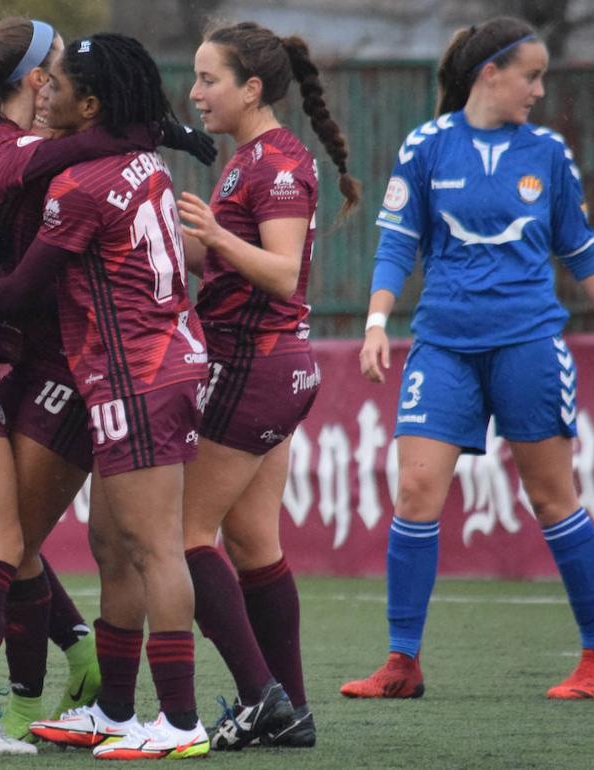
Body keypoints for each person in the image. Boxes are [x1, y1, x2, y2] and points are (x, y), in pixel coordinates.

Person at [0, 18, 215, 740]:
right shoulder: (139, 162)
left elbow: (21, 290)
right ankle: (113, 709)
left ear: (91, 105)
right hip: (145, 366)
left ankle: (180, 721)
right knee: (115, 548)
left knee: (153, 549)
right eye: (44, 73)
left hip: (136, 375)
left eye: (65, 82)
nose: (50, 89)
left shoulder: (78, 182)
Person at [341, 16, 594, 701]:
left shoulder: (546, 153)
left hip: (527, 343)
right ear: (490, 73)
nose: (538, 89)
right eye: (531, 75)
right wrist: (375, 323)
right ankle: (402, 663)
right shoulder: (426, 146)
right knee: (417, 492)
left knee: (550, 496)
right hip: (443, 345)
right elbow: (397, 242)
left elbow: (581, 248)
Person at [175, 20, 361, 749]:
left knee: (182, 537)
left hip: (253, 363)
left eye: (208, 79)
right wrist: (168, 225)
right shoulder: (249, 157)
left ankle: (263, 699)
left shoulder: (276, 164)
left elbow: (282, 273)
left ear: (253, 88)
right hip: (272, 366)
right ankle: (293, 715)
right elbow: (224, 263)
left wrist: (217, 238)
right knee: (252, 541)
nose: (195, 93)